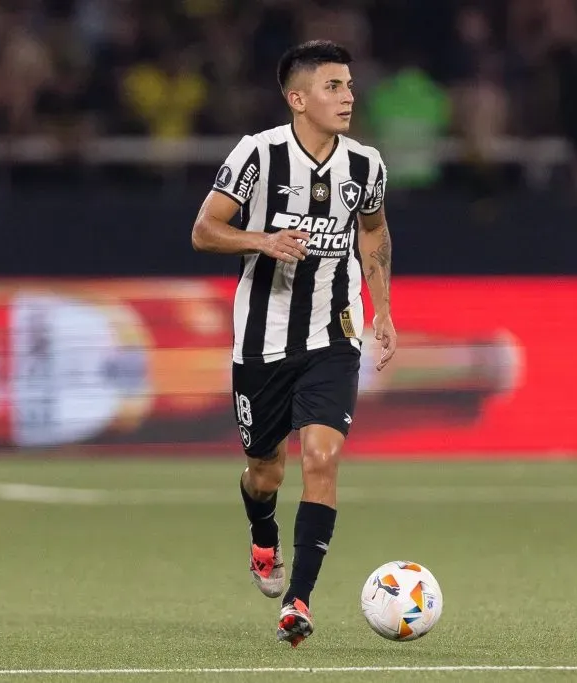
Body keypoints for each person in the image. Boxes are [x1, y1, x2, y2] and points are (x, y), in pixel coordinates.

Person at [190, 40, 395, 647]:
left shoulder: (366, 166)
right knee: (265, 470)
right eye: (334, 86)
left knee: (322, 461)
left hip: (335, 334)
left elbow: (375, 232)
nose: (349, 96)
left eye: (350, 85)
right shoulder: (258, 155)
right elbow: (204, 230)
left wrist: (382, 309)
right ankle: (262, 536)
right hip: (262, 341)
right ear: (297, 98)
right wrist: (263, 241)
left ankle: (299, 603)